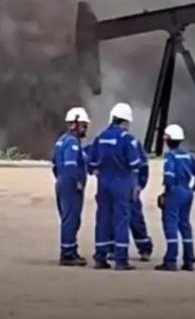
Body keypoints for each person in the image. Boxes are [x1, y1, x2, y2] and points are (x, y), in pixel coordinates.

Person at [89, 102, 143, 270]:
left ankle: (100, 258)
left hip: (103, 183)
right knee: (121, 220)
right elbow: (135, 165)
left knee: (103, 219)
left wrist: (97, 171)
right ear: (126, 121)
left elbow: (91, 162)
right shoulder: (128, 140)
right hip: (122, 183)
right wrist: (135, 186)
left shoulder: (100, 137)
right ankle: (121, 260)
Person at [155, 124, 195, 272]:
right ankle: (188, 260)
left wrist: (166, 193)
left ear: (167, 139)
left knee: (170, 224)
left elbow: (169, 175)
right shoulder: (188, 155)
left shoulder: (170, 156)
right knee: (185, 225)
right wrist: (194, 188)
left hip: (175, 192)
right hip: (187, 192)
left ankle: (170, 260)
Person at [51, 107, 91, 266]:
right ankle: (67, 254)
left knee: (69, 218)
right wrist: (76, 182)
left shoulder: (61, 140)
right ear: (74, 124)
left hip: (62, 181)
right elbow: (70, 164)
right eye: (83, 125)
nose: (85, 129)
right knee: (71, 219)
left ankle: (71, 249)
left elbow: (54, 164)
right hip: (70, 184)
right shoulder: (72, 143)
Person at [130, 141, 154, 261]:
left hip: (128, 186)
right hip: (119, 187)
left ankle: (144, 247)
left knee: (135, 218)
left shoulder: (132, 142)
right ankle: (113, 249)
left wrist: (140, 184)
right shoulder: (103, 139)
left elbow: (143, 165)